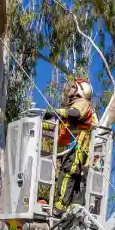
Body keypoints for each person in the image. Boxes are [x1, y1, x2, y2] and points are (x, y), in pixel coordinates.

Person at [43, 78, 95, 216]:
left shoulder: (82, 103)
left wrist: (57, 112)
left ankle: (60, 208)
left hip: (77, 149)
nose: (69, 89)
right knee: (71, 179)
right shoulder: (70, 109)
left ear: (79, 91)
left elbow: (75, 113)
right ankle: (72, 207)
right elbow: (58, 127)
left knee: (68, 175)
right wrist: (41, 122)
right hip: (70, 150)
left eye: (73, 86)